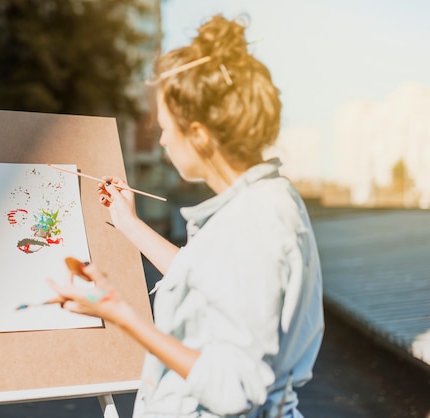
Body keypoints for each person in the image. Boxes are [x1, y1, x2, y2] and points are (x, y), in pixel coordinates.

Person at [49, 13, 324, 418]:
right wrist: (129, 223)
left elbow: (234, 387)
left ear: (198, 133)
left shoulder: (258, 221)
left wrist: (118, 311)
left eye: (165, 127)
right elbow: (206, 279)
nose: (162, 140)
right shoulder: (256, 203)